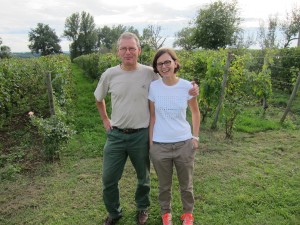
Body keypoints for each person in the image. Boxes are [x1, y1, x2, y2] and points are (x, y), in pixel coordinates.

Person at [94, 32, 198, 225]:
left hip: (140, 134)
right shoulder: (110, 74)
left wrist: (192, 88)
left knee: (143, 178)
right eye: (123, 48)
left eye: (132, 48)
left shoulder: (149, 72)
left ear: (138, 51)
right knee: (109, 179)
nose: (128, 52)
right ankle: (114, 212)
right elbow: (98, 99)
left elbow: (171, 79)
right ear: (118, 52)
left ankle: (142, 208)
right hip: (116, 135)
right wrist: (105, 120)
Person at [148, 48, 200, 225]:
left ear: (175, 63)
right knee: (164, 185)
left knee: (186, 184)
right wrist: (151, 145)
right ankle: (166, 213)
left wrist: (195, 137)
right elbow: (152, 116)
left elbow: (195, 112)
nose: (164, 66)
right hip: (160, 145)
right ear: (156, 67)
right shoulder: (154, 87)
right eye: (160, 63)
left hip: (184, 144)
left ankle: (188, 214)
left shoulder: (187, 87)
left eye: (167, 62)